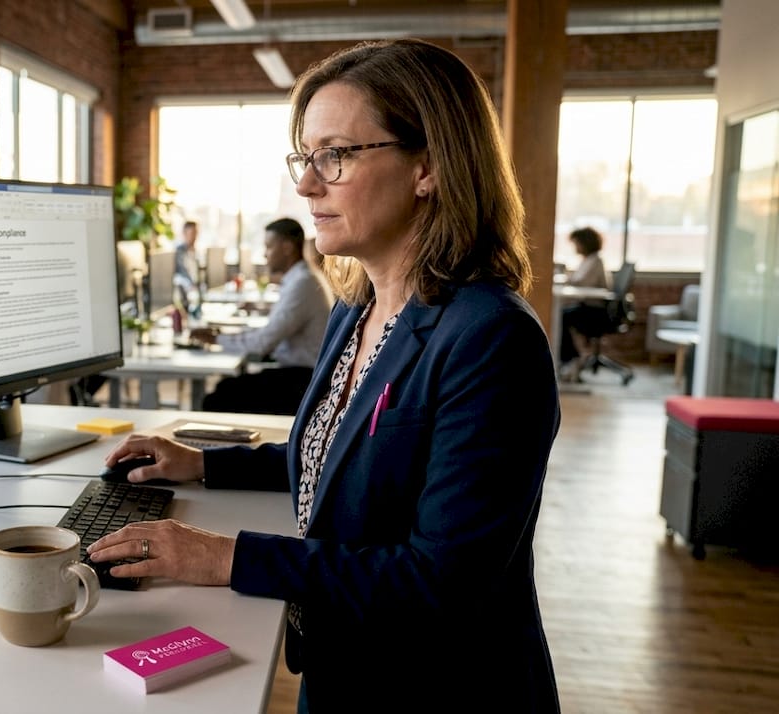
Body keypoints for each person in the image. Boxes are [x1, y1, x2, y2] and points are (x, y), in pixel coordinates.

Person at [86, 39, 560, 713]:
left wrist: (227, 558)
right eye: (305, 158)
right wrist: (203, 465)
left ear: (427, 165)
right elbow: (340, 461)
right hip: (345, 667)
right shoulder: (357, 308)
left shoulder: (490, 338)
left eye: (334, 156)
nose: (307, 184)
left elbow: (441, 581)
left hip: (436, 687)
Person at [190, 217, 333, 415]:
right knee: (226, 387)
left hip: (301, 380)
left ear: (287, 247)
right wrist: (223, 334)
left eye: (268, 247)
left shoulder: (303, 283)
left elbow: (264, 342)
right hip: (300, 374)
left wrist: (217, 338)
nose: (265, 255)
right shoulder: (300, 278)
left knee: (219, 397)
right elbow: (271, 331)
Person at [558, 226, 611, 382]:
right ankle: (569, 359)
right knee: (561, 314)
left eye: (577, 243)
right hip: (587, 307)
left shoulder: (596, 261)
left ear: (585, 243)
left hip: (596, 311)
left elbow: (581, 282)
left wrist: (565, 278)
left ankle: (571, 359)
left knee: (561, 317)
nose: (576, 247)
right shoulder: (588, 260)